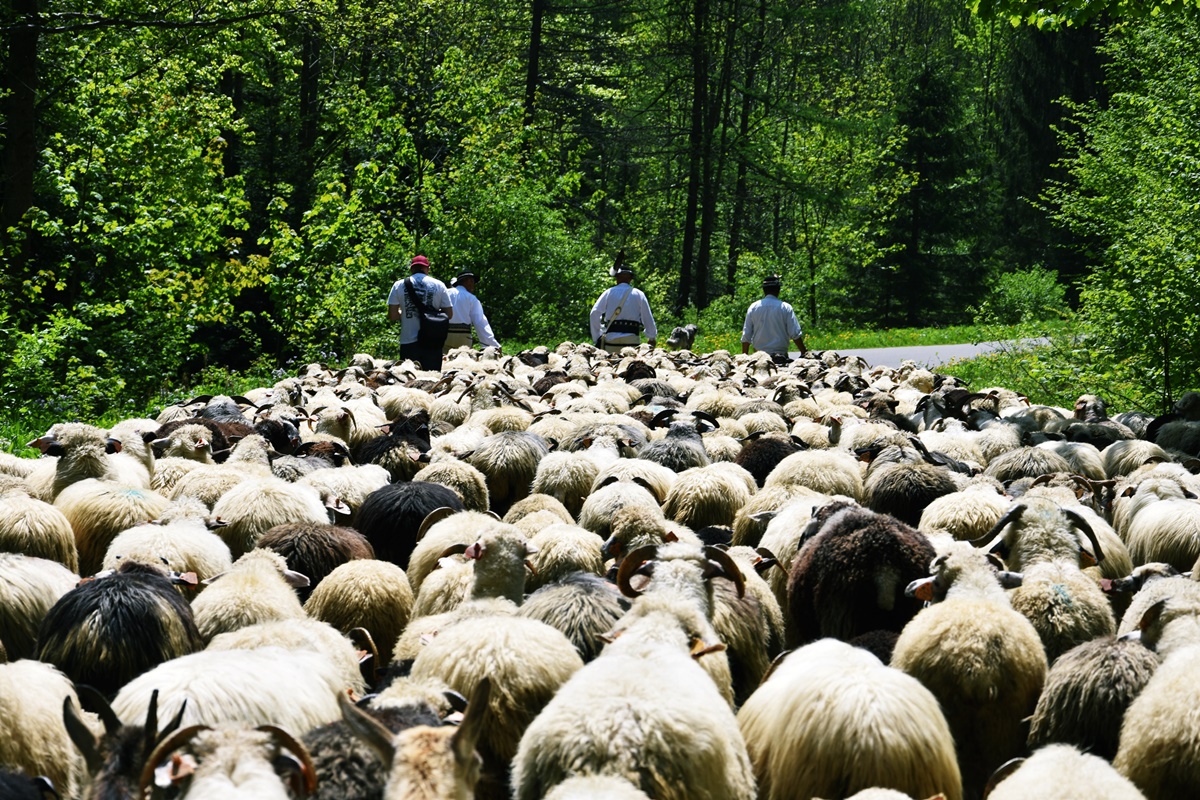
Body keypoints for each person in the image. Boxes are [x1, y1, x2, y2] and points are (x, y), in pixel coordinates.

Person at [387, 254, 453, 371]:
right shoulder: (439, 285)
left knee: (409, 382)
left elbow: (392, 315)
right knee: (431, 381)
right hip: (433, 341)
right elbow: (449, 314)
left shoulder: (399, 285)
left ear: (412, 268)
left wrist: (406, 312)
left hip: (408, 342)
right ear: (427, 268)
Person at [589, 264, 657, 354]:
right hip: (632, 342)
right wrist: (651, 337)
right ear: (630, 278)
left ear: (617, 277)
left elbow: (594, 313)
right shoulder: (639, 294)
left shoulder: (609, 292)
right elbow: (647, 317)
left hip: (611, 341)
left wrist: (597, 336)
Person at [741, 274, 807, 363]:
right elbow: (795, 333)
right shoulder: (786, 307)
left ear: (764, 290)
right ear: (778, 290)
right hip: (780, 358)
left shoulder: (753, 307)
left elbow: (746, 335)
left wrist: (744, 358)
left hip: (758, 359)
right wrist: (804, 352)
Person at [444, 271, 501, 354]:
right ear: (468, 281)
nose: (473, 286)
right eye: (473, 282)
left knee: (444, 361)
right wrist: (493, 345)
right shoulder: (471, 298)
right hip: (463, 336)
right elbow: (480, 323)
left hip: (445, 334)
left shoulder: (446, 293)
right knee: (464, 360)